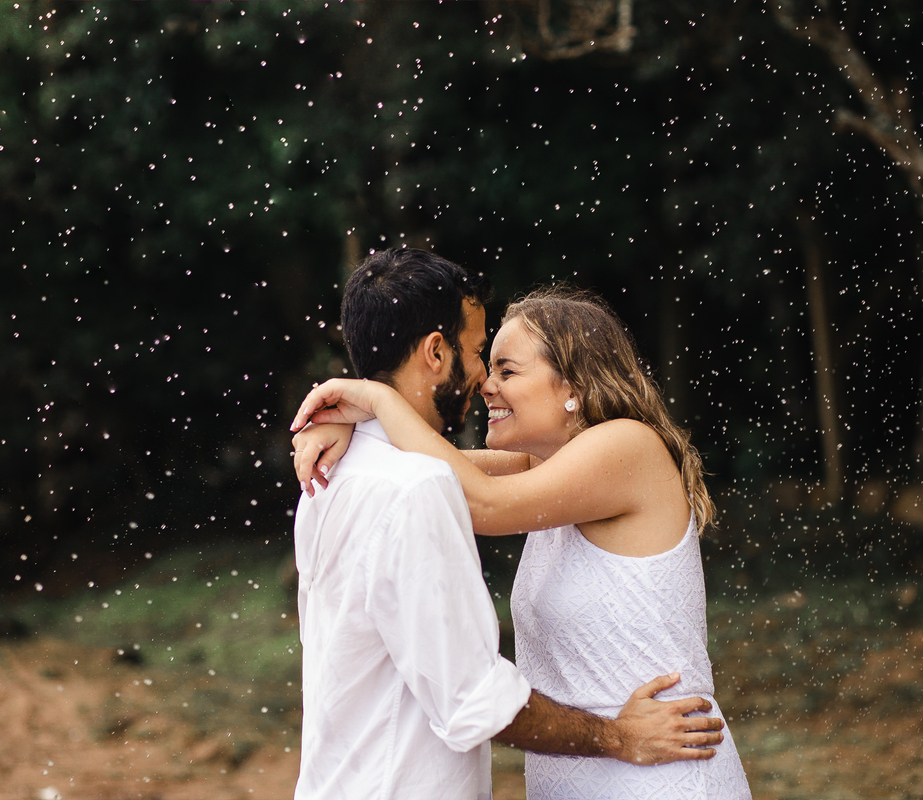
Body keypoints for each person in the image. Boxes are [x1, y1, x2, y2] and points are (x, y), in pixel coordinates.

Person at [289, 248, 723, 800]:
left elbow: (480, 500)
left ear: (573, 387)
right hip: (592, 763)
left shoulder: (627, 448)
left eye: (506, 369)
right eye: (482, 359)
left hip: (660, 759)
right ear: (435, 351)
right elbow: (449, 479)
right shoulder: (515, 475)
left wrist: (374, 401)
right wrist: (363, 424)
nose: (486, 383)